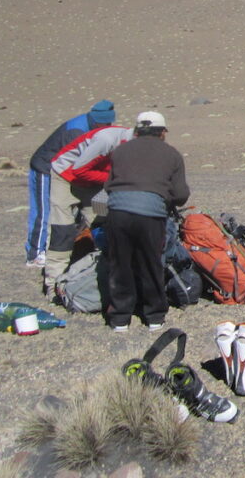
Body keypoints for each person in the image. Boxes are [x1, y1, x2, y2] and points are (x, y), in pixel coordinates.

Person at [104, 112, 189, 332]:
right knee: (151, 262)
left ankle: (120, 318)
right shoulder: (171, 154)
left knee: (120, 263)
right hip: (150, 214)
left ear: (136, 131)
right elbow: (180, 194)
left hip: (118, 212)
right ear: (162, 133)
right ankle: (154, 316)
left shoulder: (120, 151)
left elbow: (108, 185)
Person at [44, 122, 133, 297]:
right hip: (65, 176)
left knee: (99, 224)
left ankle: (93, 275)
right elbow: (80, 170)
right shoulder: (107, 140)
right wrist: (114, 178)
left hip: (93, 180)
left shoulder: (133, 145)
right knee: (62, 229)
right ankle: (53, 284)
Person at [25, 100, 116, 267]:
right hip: (46, 168)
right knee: (44, 211)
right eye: (105, 123)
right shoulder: (77, 131)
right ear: (96, 120)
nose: (108, 126)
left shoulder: (97, 128)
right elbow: (78, 163)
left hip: (68, 171)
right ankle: (36, 253)